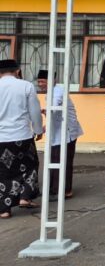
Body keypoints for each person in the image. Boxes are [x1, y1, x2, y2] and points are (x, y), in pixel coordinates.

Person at [0, 59, 43, 219]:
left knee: (3, 173)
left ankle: (4, 209)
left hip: (1, 138)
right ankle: (25, 197)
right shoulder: (26, 86)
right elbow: (35, 111)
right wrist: (38, 130)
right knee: (30, 166)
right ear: (17, 71)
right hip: (22, 136)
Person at [36, 69, 84, 199]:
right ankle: (54, 189)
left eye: (43, 81)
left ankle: (65, 191)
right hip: (57, 131)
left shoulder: (58, 91)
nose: (40, 84)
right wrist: (46, 125)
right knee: (53, 160)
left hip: (66, 132)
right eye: (39, 81)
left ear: (53, 80)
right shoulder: (50, 92)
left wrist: (47, 111)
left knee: (63, 161)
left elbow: (55, 107)